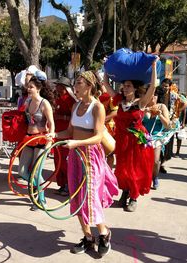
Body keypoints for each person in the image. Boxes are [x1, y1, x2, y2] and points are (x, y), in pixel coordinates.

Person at [55, 71, 118, 257]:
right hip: (75, 156)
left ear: (89, 85)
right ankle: (88, 238)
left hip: (91, 156)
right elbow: (69, 131)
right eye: (75, 82)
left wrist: (77, 143)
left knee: (90, 198)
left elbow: (98, 136)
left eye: (79, 82)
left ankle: (104, 234)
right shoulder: (75, 106)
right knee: (76, 197)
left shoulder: (98, 107)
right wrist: (54, 135)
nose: (75, 85)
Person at [103, 59, 157, 212]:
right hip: (122, 139)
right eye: (124, 86)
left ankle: (133, 197)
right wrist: (106, 67)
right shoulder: (119, 101)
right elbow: (106, 84)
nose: (124, 88)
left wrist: (153, 68)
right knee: (122, 169)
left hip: (136, 141)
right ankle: (125, 193)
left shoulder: (140, 103)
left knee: (134, 170)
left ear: (135, 88)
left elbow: (152, 87)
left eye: (128, 86)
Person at [18, 70, 55, 210]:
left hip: (41, 140)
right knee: (22, 171)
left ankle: (42, 199)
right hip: (28, 139)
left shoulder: (44, 104)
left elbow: (51, 123)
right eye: (28, 86)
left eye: (31, 87)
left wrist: (50, 140)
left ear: (38, 88)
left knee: (37, 171)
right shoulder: (27, 101)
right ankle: (36, 187)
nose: (28, 89)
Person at [52, 76, 76, 196]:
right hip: (58, 133)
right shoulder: (58, 98)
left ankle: (68, 184)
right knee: (58, 159)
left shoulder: (70, 100)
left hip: (66, 133)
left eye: (58, 85)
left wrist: (61, 117)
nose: (56, 87)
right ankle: (62, 184)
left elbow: (73, 117)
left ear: (64, 87)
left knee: (65, 160)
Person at [142, 88, 170, 190]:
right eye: (151, 94)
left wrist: (160, 114)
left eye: (155, 95)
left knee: (155, 161)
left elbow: (167, 125)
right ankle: (145, 178)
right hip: (143, 137)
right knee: (143, 161)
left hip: (156, 137)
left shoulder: (162, 107)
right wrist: (144, 112)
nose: (153, 97)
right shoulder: (143, 106)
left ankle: (155, 177)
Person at [159, 79, 187, 171]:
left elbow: (185, 104)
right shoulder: (158, 94)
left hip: (170, 122)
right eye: (163, 85)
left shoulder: (174, 95)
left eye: (166, 86)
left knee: (168, 143)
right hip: (160, 121)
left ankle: (162, 163)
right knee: (159, 142)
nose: (164, 87)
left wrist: (177, 111)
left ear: (170, 86)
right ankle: (159, 162)